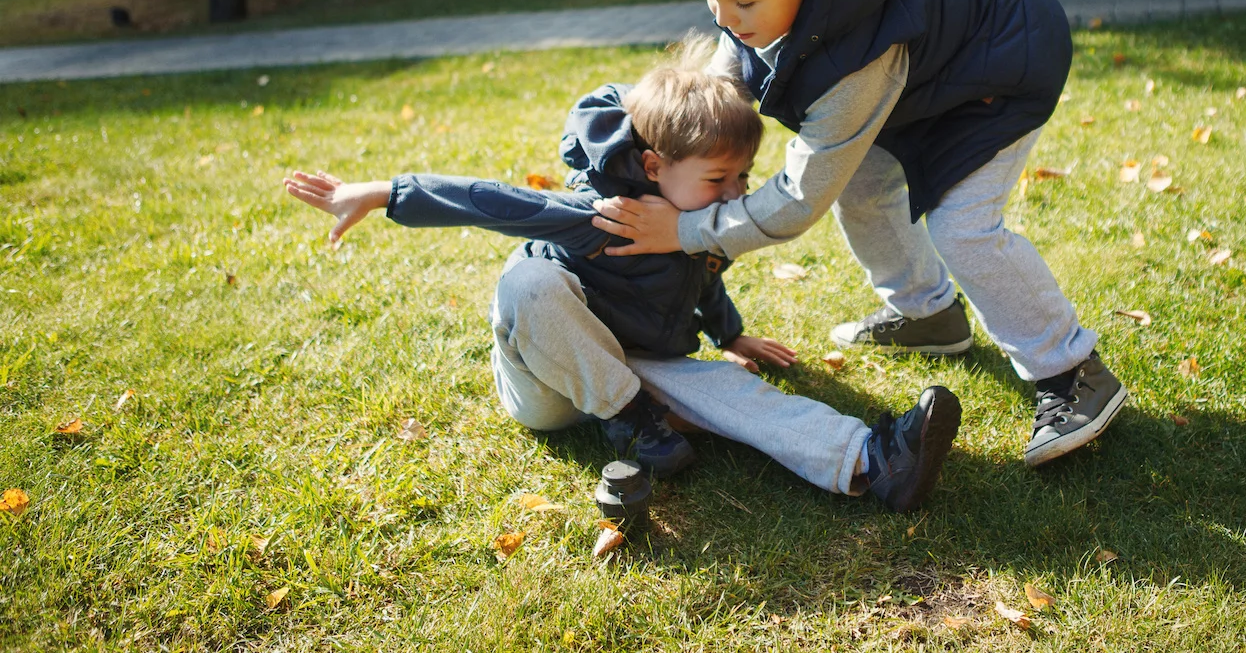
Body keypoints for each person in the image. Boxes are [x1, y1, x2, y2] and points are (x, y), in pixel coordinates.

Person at [588, 0, 1124, 469]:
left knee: (962, 228)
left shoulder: (861, 56)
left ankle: (1072, 370)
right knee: (864, 188)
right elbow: (718, 95)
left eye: (742, 2)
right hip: (925, 81)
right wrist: (642, 143)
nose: (724, 19)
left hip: (999, 73)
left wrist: (686, 231)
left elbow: (800, 197)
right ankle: (928, 314)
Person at [280, 53, 961, 512]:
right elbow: (489, 201)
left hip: (631, 369)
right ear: (654, 165)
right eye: (718, 178)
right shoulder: (601, 213)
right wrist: (383, 192)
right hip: (549, 382)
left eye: (742, 177)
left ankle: (873, 461)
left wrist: (731, 335)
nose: (734, 193)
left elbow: (701, 281)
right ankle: (633, 420)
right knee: (528, 282)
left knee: (729, 390)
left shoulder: (697, 222)